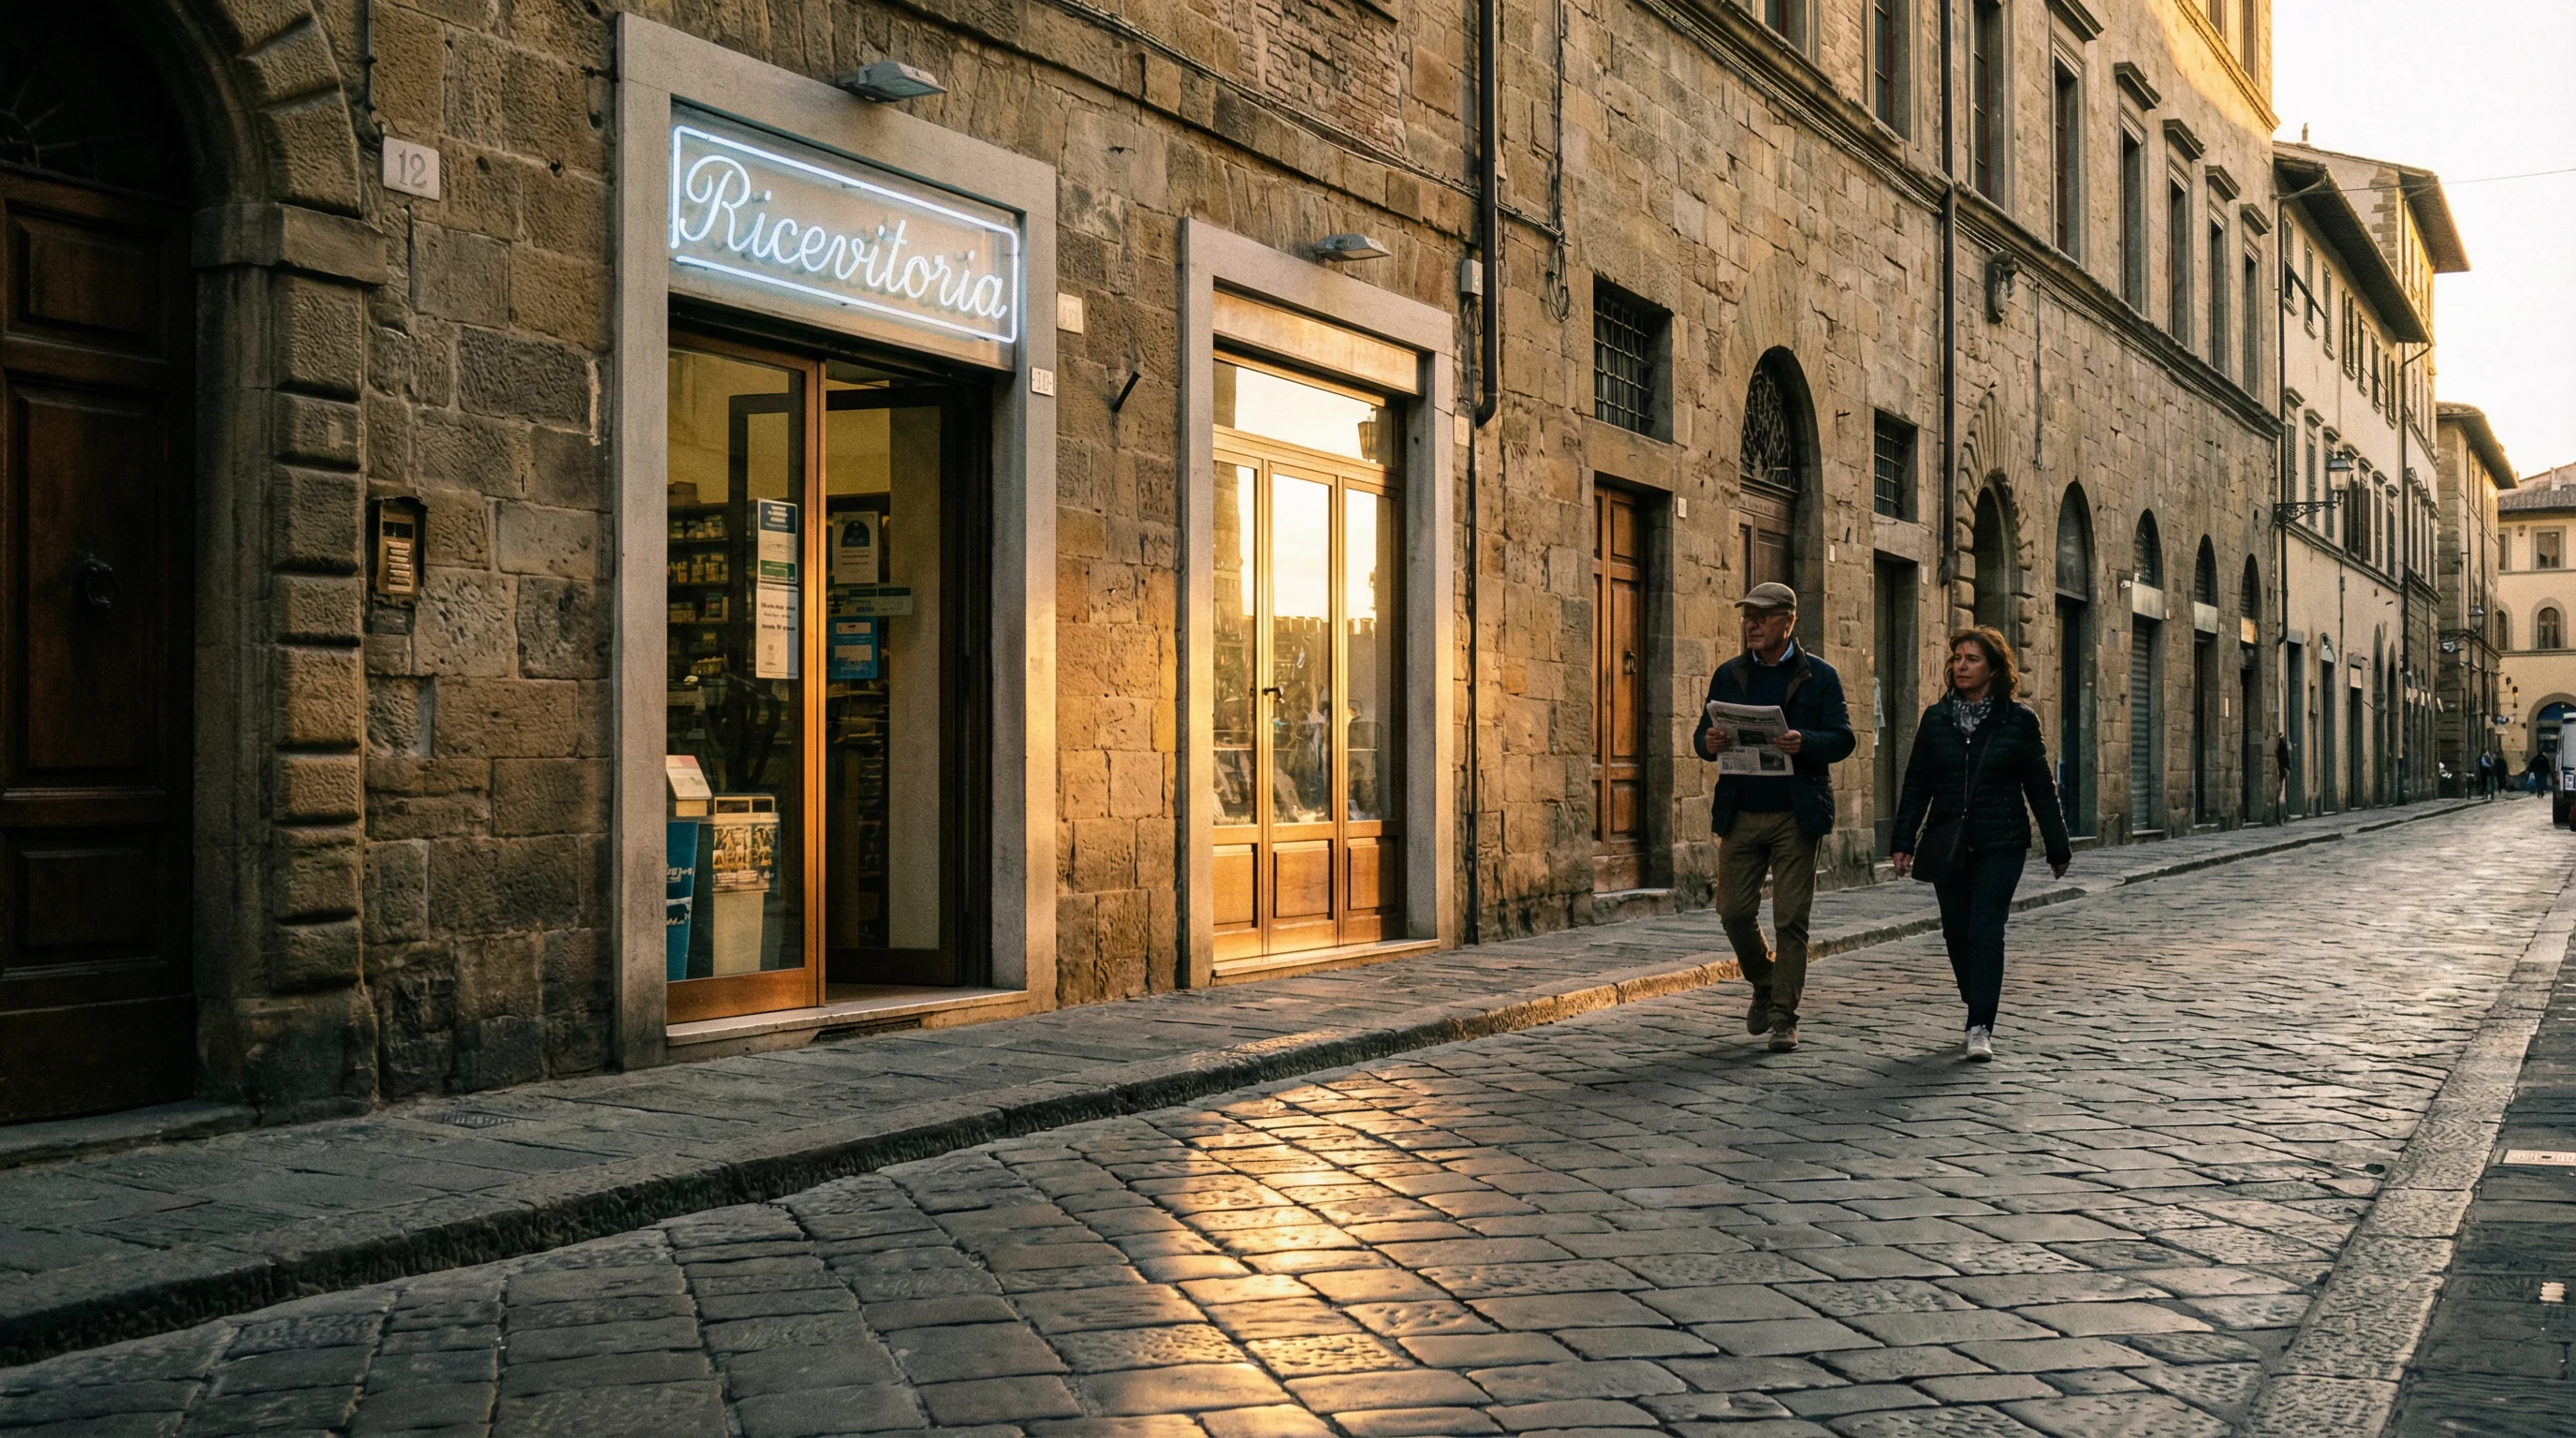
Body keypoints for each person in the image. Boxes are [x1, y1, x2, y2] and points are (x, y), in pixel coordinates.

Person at [1888, 627, 2072, 1063]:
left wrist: (2058, 845)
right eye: (1957, 658)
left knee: (1985, 930)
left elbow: (2040, 787)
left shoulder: (2018, 721)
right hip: (1948, 841)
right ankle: (1978, 999)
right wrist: (1903, 840)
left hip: (2001, 842)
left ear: (1993, 668)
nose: (1961, 666)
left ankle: (1979, 1025)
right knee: (1956, 932)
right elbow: (1917, 784)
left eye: (1971, 659)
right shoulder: (1936, 718)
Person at [1691, 582, 1855, 1053]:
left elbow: (1843, 738)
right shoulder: (1729, 674)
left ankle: (1784, 1016)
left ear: (1789, 621)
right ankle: (1765, 982)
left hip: (1795, 814)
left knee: (1790, 918)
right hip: (1741, 809)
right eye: (1748, 616)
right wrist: (1708, 743)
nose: (1753, 624)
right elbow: (1702, 736)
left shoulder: (1820, 676)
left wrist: (1806, 741)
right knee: (1732, 911)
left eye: (1762, 616)